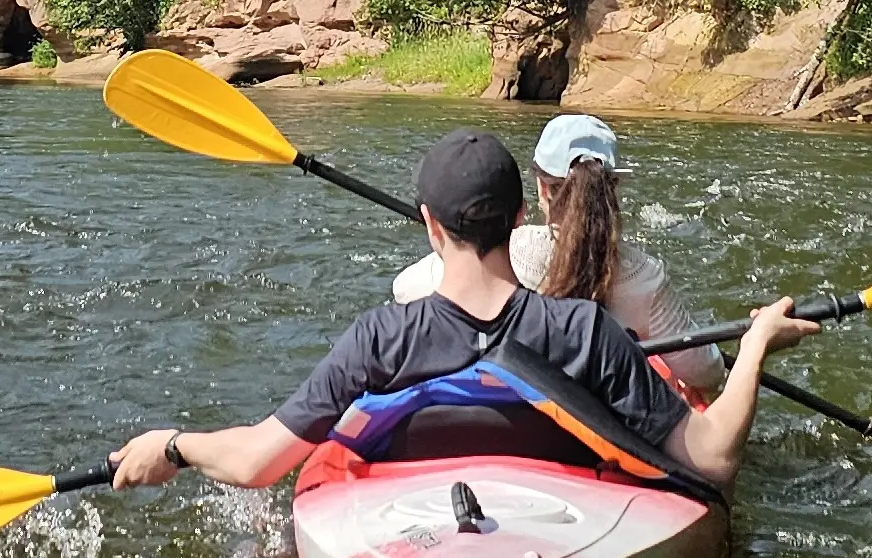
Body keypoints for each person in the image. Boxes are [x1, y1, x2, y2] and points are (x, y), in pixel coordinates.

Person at [112, 130, 811, 498]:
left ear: (428, 224)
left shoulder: (381, 339)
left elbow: (257, 463)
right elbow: (714, 458)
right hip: (563, 520)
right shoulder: (584, 332)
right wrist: (754, 345)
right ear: (518, 218)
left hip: (420, 531)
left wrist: (173, 445)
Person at [390, 109, 684, 341]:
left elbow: (404, 289)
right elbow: (704, 371)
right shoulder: (645, 275)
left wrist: (448, 240)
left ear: (542, 189)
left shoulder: (506, 249)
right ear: (613, 188)